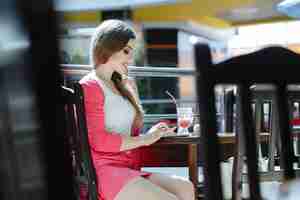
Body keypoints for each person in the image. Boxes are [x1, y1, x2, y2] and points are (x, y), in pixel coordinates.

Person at [79, 19, 195, 200]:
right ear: (108, 48)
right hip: (104, 172)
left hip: (128, 168)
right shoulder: (90, 86)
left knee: (186, 188)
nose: (130, 59)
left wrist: (152, 133)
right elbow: (99, 141)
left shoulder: (123, 84)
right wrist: (145, 139)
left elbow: (131, 134)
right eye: (126, 51)